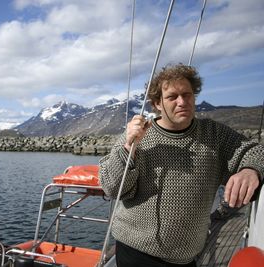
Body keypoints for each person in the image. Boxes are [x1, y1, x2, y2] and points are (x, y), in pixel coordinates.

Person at [98, 63, 263, 267]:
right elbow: (111, 187)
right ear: (157, 103)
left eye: (187, 94)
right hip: (135, 252)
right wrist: (128, 149)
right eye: (172, 97)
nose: (182, 101)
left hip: (187, 257)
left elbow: (255, 151)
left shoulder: (215, 135)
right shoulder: (137, 136)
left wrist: (250, 170)